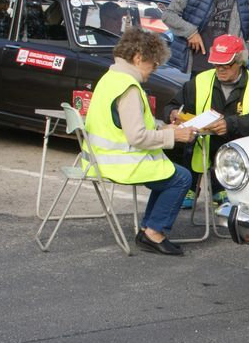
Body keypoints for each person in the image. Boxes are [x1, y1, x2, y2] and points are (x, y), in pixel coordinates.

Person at [84, 27, 197, 255]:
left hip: (97, 159)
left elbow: (123, 125)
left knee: (168, 173)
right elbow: (136, 136)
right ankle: (153, 231)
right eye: (153, 64)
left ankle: (149, 227)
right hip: (120, 163)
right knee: (181, 177)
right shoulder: (129, 87)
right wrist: (173, 134)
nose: (154, 70)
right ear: (137, 58)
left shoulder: (111, 78)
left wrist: (160, 127)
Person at [166, 34, 249, 208]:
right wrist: (173, 113)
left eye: (226, 65)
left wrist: (230, 124)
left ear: (240, 62)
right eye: (216, 64)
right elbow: (173, 105)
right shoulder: (200, 80)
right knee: (173, 140)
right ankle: (189, 187)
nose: (220, 69)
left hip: (239, 150)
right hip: (200, 147)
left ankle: (220, 190)